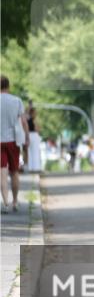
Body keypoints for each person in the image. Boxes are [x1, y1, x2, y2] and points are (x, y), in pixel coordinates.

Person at [0, 75, 30, 213]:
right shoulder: (17, 101)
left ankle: (5, 203)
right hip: (13, 141)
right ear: (8, 86)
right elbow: (23, 121)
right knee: (14, 172)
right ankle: (15, 201)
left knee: (2, 173)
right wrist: (27, 138)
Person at [25, 105, 43, 173]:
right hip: (34, 136)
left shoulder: (26, 119)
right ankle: (36, 168)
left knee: (30, 152)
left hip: (28, 135)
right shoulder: (33, 120)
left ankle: (30, 168)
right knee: (35, 152)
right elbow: (37, 129)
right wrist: (39, 128)